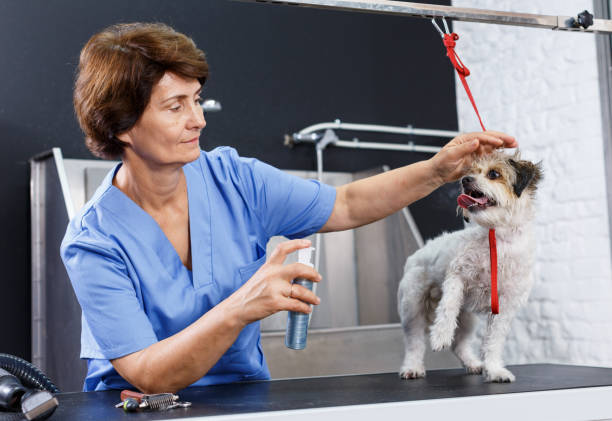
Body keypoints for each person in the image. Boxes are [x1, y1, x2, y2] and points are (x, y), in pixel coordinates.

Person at [61, 22, 517, 393]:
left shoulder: (233, 178)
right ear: (121, 125)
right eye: (175, 106)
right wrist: (243, 305)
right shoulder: (94, 239)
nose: (197, 119)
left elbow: (346, 203)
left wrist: (439, 169)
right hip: (139, 408)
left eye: (196, 100)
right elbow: (147, 372)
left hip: (240, 396)